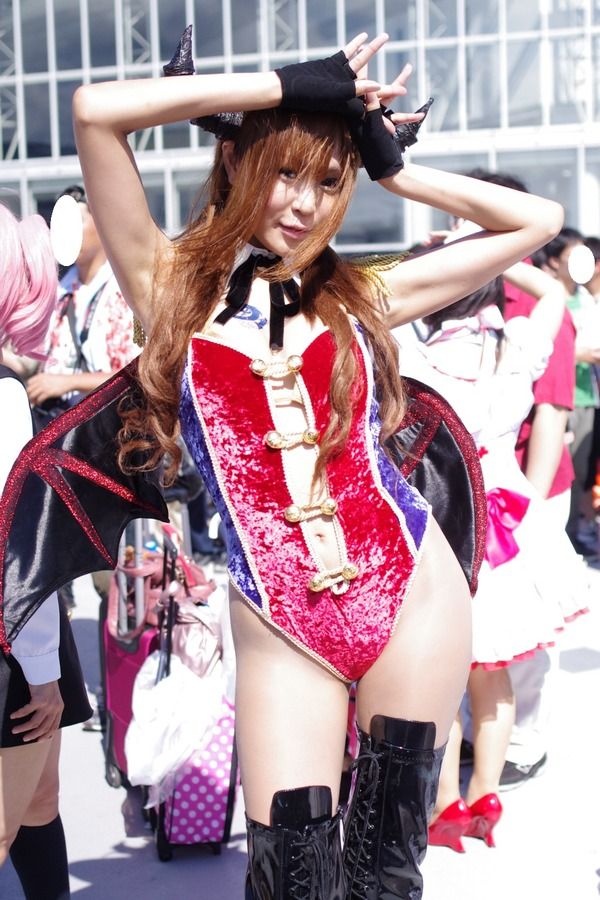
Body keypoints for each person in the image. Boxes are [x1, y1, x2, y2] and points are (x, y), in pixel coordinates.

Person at [70, 27, 564, 897]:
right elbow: (95, 112)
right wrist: (283, 85)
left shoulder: (362, 291)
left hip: (412, 597)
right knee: (292, 879)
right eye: (286, 173)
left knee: (385, 875)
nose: (303, 204)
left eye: (330, 183)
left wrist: (395, 171)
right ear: (238, 162)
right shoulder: (170, 288)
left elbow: (538, 224)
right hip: (280, 626)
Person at [397, 259, 588, 852]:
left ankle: (445, 806)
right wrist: (497, 251)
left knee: (444, 678)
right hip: (507, 531)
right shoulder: (517, 345)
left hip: (444, 526)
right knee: (493, 673)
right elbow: (553, 291)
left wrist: (435, 259)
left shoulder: (411, 355)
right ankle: (485, 795)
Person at [464, 170, 577, 790]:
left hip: (529, 487)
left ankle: (525, 741)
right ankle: (485, 737)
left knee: (527, 629)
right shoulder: (468, 289)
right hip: (482, 491)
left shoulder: (530, 303)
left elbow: (553, 413)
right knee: (487, 631)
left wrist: (525, 507)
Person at [0, 204, 92, 898]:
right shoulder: (5, 391)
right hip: (15, 635)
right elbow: (14, 543)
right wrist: (40, 671)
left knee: (39, 801)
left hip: (22, 627)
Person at [26, 185, 139, 429]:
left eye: (75, 222)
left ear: (102, 222)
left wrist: (68, 382)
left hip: (118, 430)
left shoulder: (129, 290)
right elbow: (29, 357)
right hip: (65, 431)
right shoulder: (57, 291)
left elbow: (142, 372)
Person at [535, 227, 600, 554]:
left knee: (581, 471)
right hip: (555, 396)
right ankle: (553, 538)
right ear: (554, 261)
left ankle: (573, 533)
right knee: (556, 469)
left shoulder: (586, 299)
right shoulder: (545, 298)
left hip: (586, 394)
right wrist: (577, 354)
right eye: (572, 257)